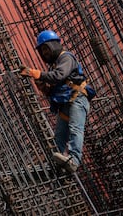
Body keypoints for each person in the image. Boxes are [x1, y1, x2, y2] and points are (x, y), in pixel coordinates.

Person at [20, 30, 95, 173]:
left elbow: (59, 76)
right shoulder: (54, 65)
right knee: (59, 135)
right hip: (65, 103)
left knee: (75, 129)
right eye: (42, 51)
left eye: (46, 49)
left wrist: (37, 73)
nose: (45, 53)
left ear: (53, 45)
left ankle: (74, 160)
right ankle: (54, 164)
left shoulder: (66, 58)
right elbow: (54, 89)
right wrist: (43, 87)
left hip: (77, 100)